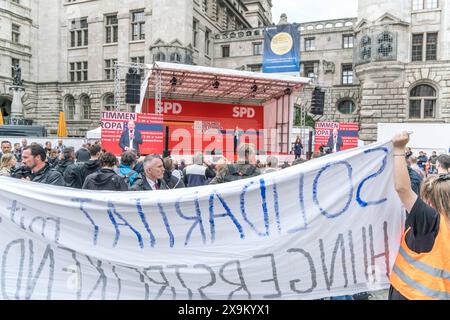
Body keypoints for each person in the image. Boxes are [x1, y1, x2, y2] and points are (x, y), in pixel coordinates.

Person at [389, 131, 450, 300]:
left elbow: (402, 188)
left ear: (434, 200)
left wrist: (399, 149)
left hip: (409, 293)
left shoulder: (431, 220)